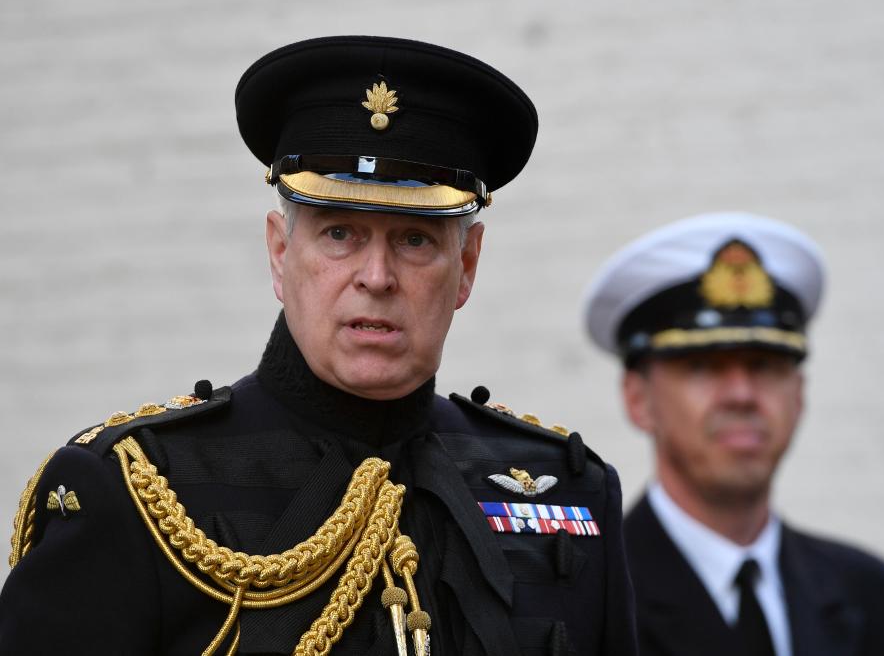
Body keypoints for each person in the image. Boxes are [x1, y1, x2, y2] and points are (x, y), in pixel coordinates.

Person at [0, 36, 638, 656]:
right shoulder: (136, 489)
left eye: (415, 240)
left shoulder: (567, 492)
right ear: (280, 253)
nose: (377, 277)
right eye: (340, 234)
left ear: (466, 264)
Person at [583, 212, 884, 656]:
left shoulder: (878, 599)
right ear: (638, 399)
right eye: (703, 367)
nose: (742, 395)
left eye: (765, 366)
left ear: (798, 395)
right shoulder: (587, 601)